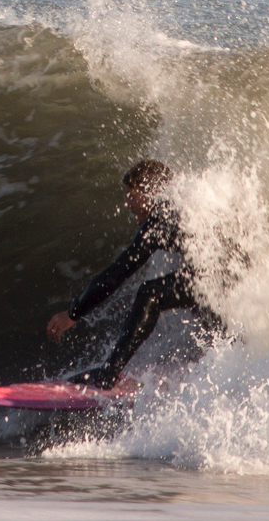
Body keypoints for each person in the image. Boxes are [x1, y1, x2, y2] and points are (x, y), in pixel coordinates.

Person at [45, 160, 225, 389]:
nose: (128, 203)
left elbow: (117, 273)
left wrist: (73, 313)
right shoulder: (183, 208)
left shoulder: (162, 220)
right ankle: (229, 354)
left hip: (222, 273)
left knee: (151, 293)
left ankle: (108, 373)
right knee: (195, 292)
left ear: (152, 192)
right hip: (233, 273)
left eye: (133, 195)